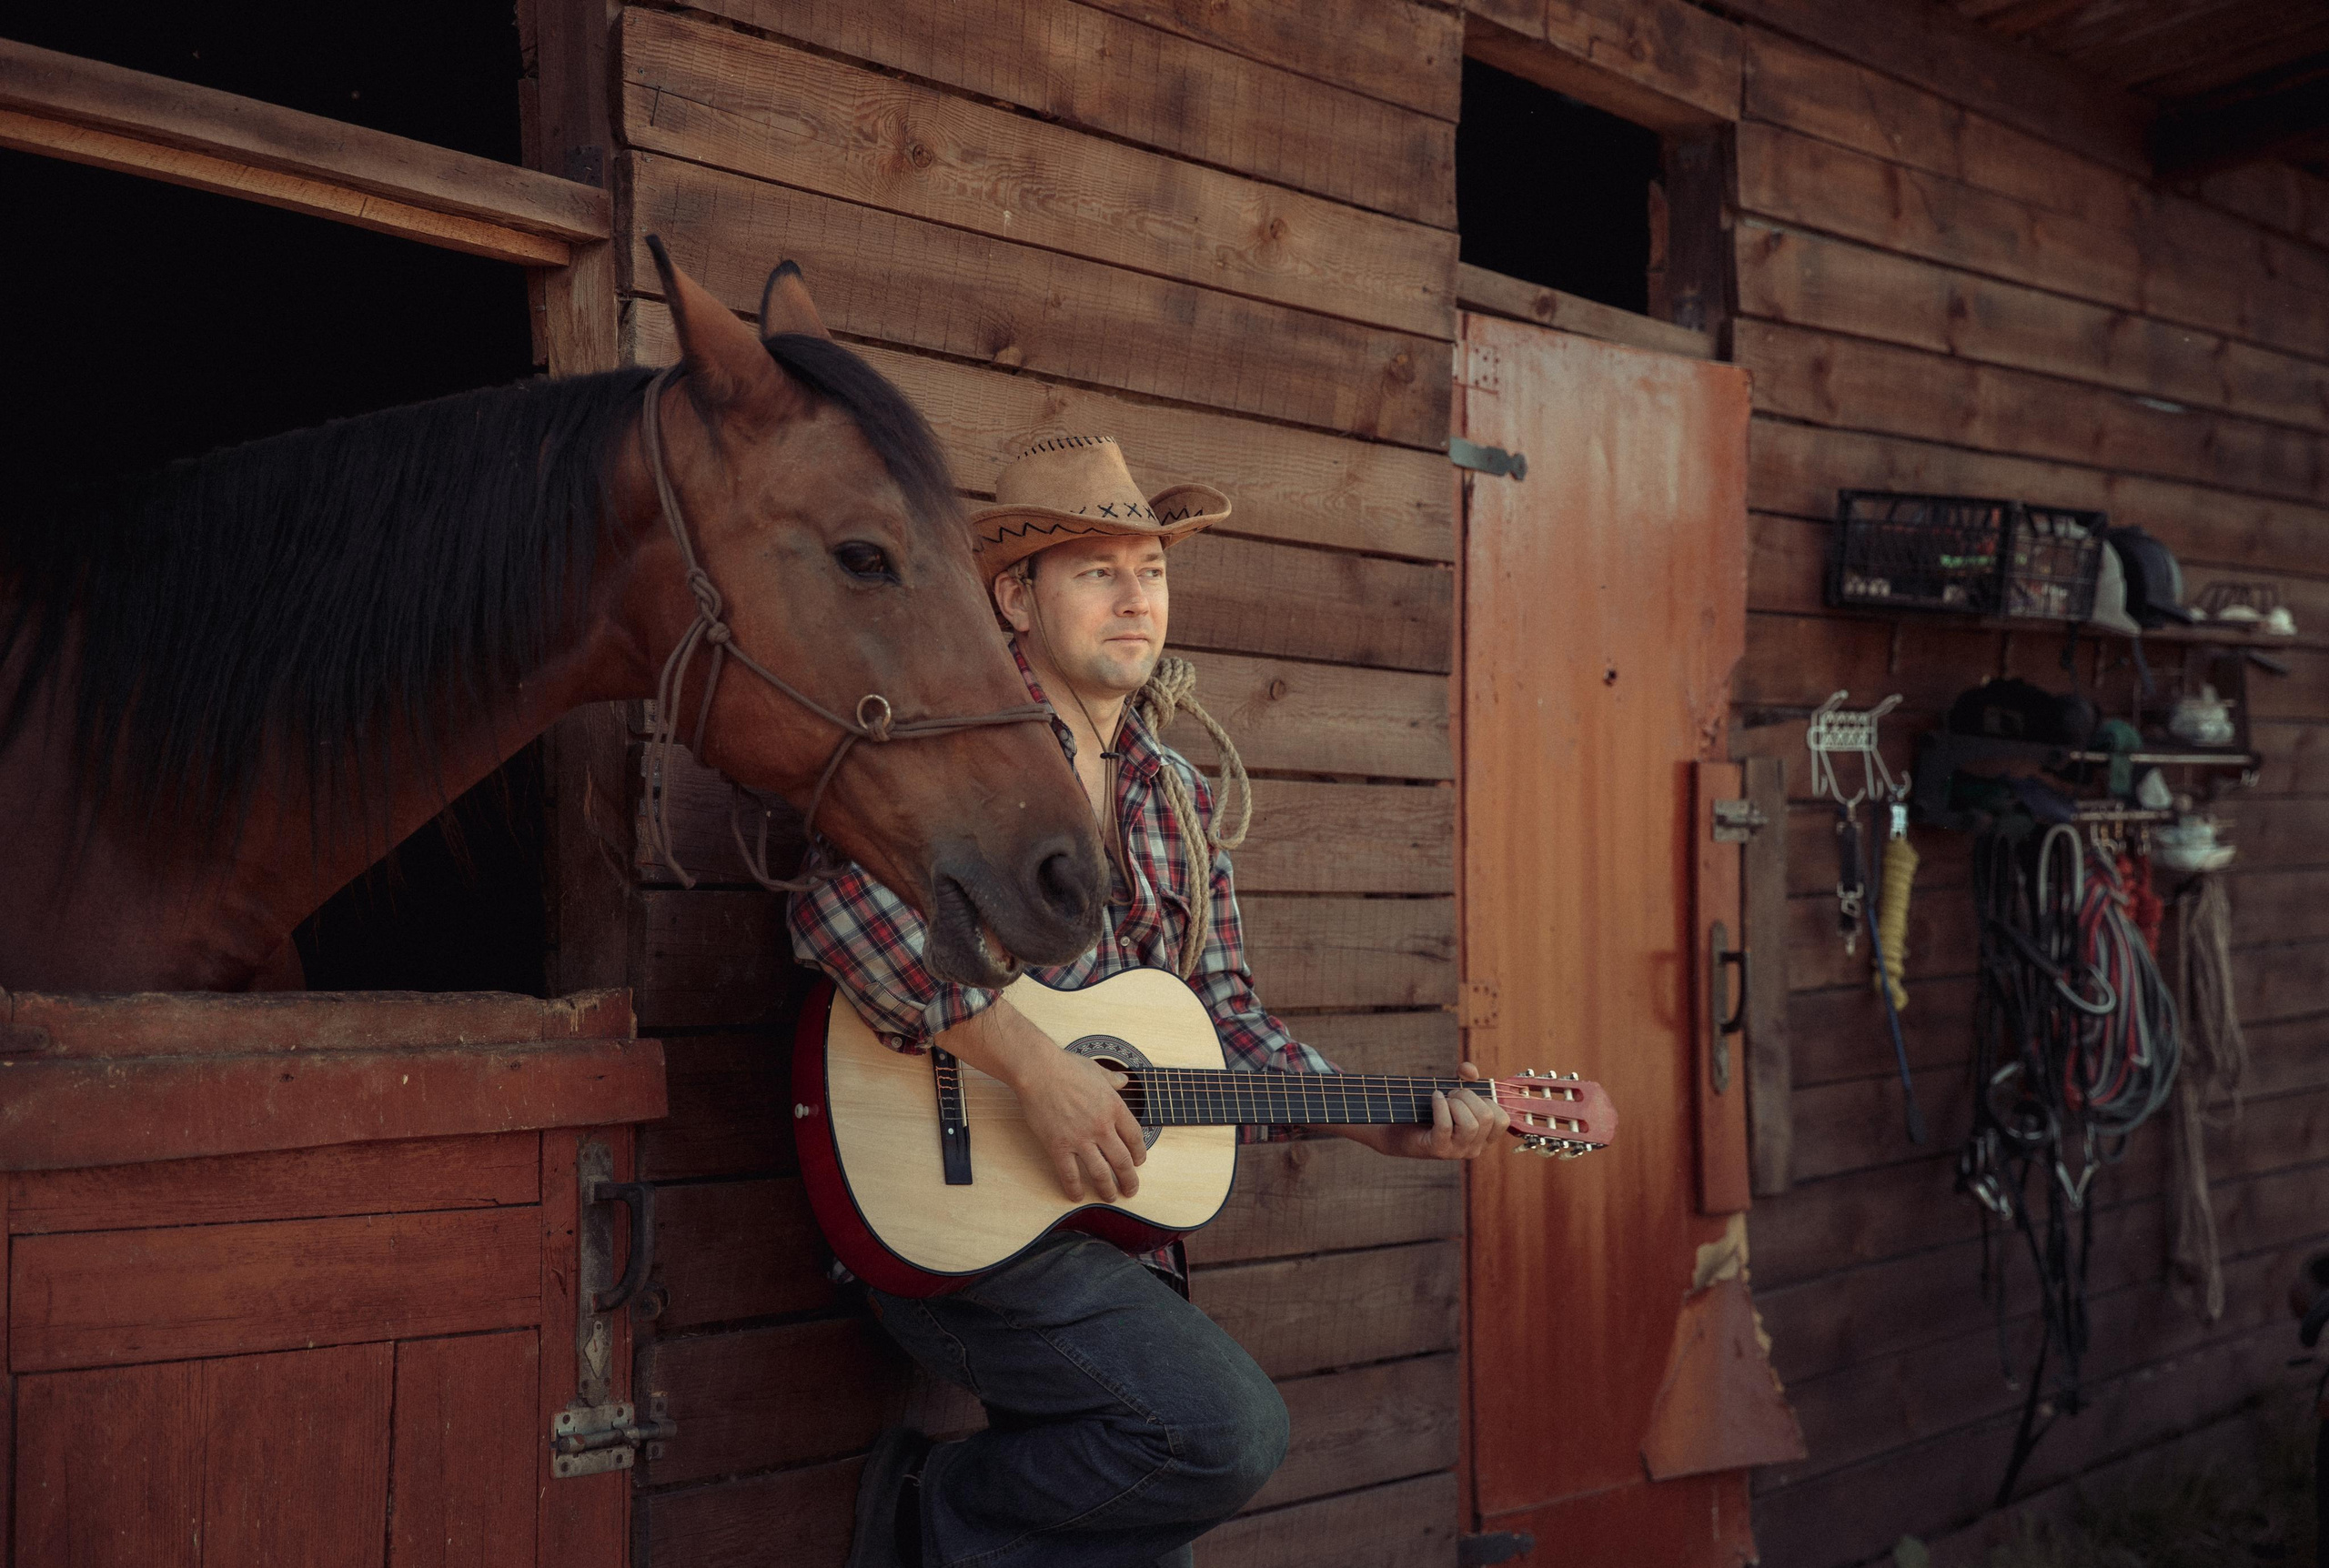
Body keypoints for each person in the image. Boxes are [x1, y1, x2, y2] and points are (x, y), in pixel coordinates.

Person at [790, 435, 1511, 1568]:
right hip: (938, 1206)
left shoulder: (1174, 792)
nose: (1138, 597)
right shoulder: (955, 748)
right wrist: (1037, 1067)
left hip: (1090, 1227)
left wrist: (1366, 1115)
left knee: (1140, 1520)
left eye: (1154, 569)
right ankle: (934, 1514)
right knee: (1220, 1430)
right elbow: (840, 916)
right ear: (1014, 598)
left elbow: (1222, 1019)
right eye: (1098, 570)